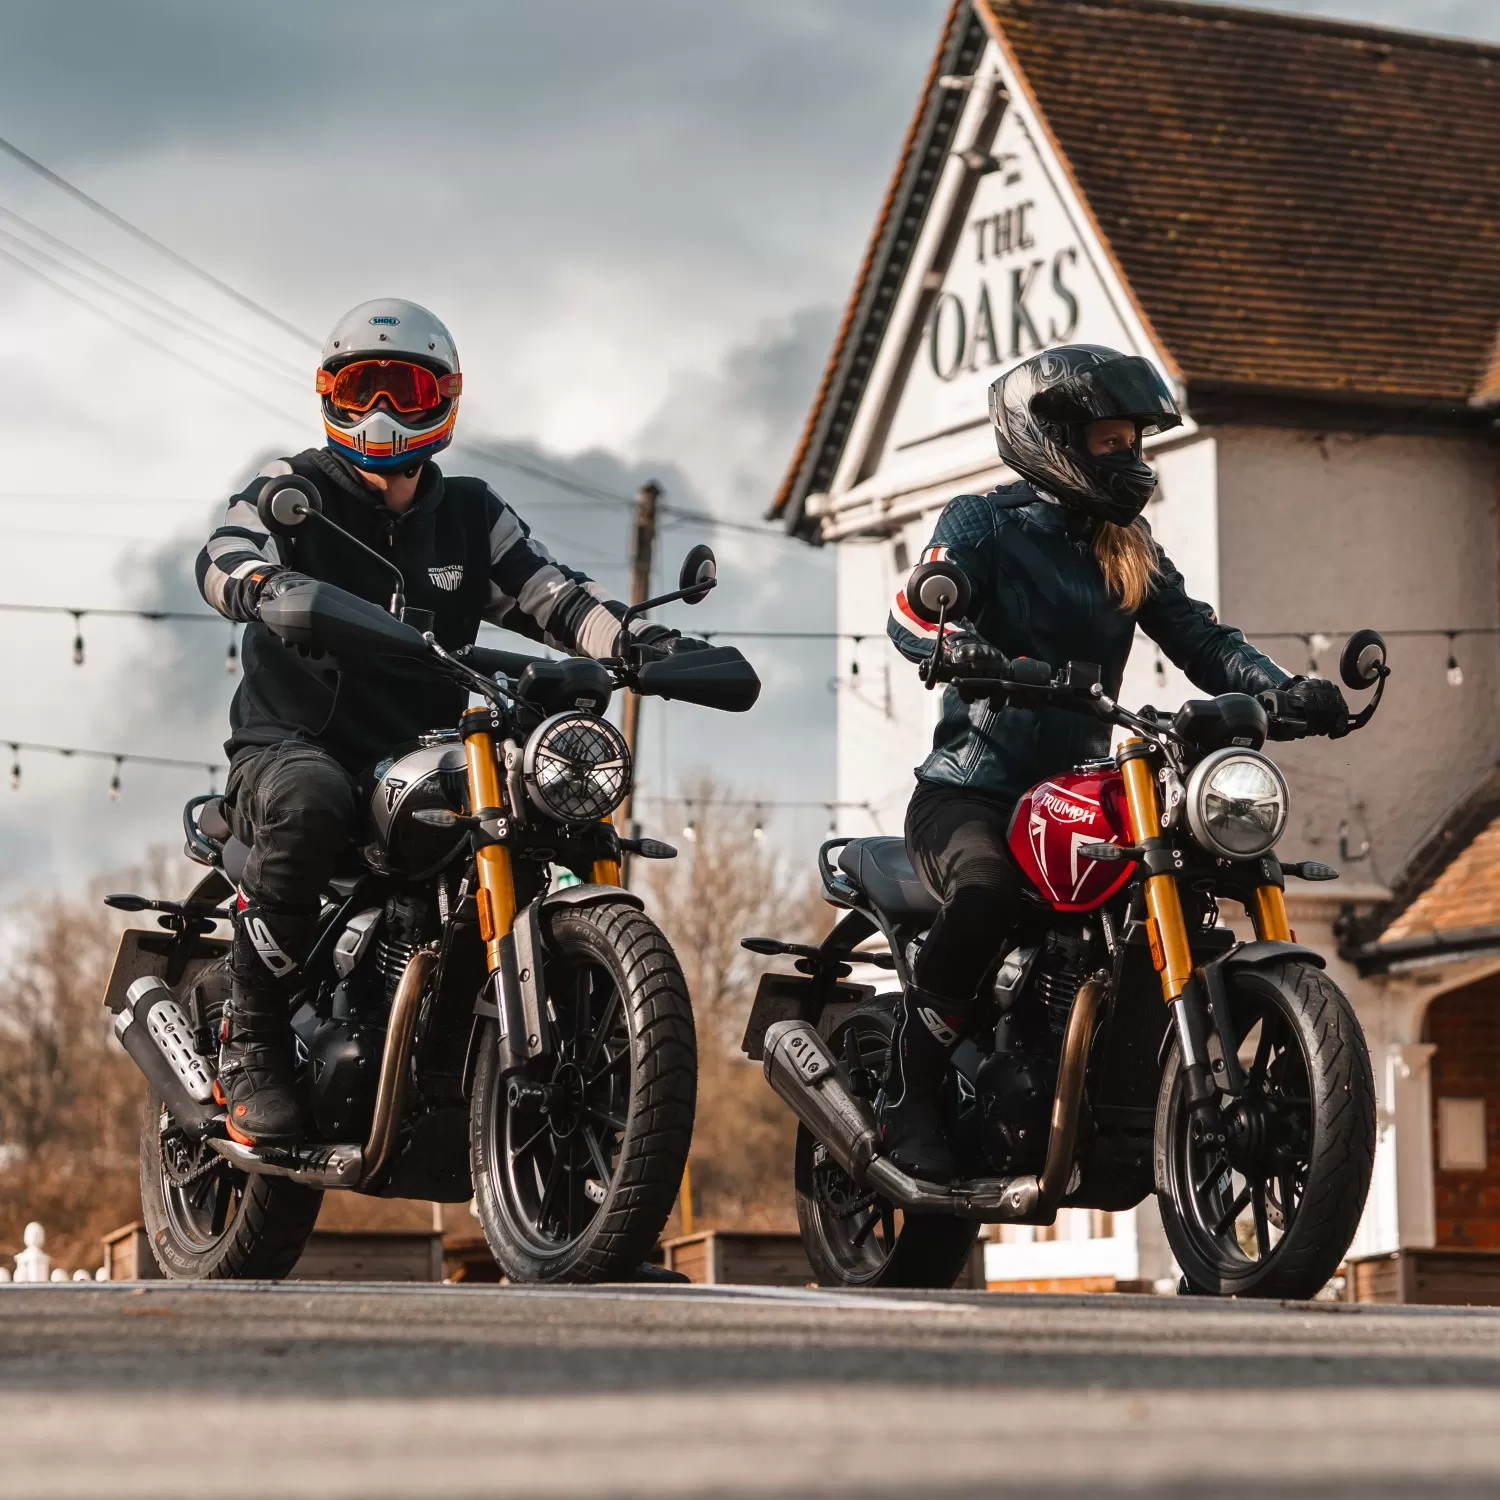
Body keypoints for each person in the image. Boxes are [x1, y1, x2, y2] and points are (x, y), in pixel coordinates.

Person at [199, 297, 703, 1146]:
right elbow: (220, 554)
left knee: (548, 810)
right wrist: (262, 585)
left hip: (426, 749)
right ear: (331, 395)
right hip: (296, 744)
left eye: (403, 387)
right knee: (314, 799)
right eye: (362, 389)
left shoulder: (470, 513)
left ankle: (594, 1173)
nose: (382, 412)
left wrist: (646, 641)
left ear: (445, 397)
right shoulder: (296, 494)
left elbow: (555, 597)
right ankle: (250, 1035)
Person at [883, 343, 1349, 1182]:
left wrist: (1287, 691)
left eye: (1136, 441)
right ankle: (907, 1094)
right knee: (986, 896)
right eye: (1110, 442)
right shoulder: (980, 522)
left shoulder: (1125, 545)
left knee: (1183, 883)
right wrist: (964, 647)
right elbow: (918, 606)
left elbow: (1202, 638)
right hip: (973, 794)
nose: (1130, 458)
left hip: (1078, 795)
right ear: (1052, 437)